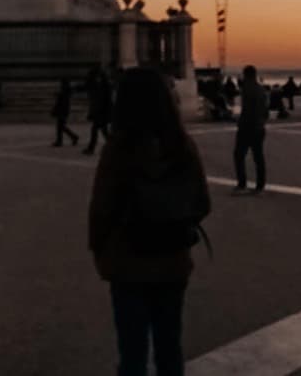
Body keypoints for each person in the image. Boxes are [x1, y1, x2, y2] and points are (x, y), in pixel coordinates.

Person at [88, 67, 210, 376]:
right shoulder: (183, 147)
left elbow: (102, 209)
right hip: (172, 261)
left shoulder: (118, 150)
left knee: (132, 353)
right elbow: (202, 203)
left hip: (127, 262)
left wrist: (101, 252)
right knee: (170, 347)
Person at [232, 66, 267, 195]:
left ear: (245, 75)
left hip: (246, 127)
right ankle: (260, 186)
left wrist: (238, 120)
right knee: (258, 157)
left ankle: (242, 184)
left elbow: (242, 109)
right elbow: (264, 110)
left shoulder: (245, 90)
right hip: (259, 127)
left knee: (239, 156)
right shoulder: (261, 89)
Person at [84, 67, 113, 156]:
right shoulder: (103, 85)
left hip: (101, 112)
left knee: (97, 130)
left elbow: (99, 101)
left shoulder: (101, 86)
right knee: (103, 131)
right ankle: (112, 147)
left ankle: (91, 148)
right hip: (102, 112)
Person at [51, 79, 80, 147]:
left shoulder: (64, 92)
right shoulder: (66, 92)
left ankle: (62, 140)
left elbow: (61, 103)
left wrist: (56, 110)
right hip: (64, 111)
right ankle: (71, 137)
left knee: (60, 126)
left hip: (62, 111)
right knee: (61, 126)